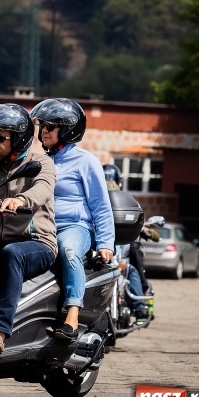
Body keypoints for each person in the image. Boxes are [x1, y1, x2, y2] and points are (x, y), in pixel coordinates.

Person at [0, 103, 58, 354]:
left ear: (18, 139)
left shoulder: (40, 163)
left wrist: (20, 200)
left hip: (37, 243)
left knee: (13, 254)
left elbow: (43, 188)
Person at [30, 98, 115, 341]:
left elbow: (101, 205)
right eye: (42, 126)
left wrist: (106, 243)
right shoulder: (39, 161)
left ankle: (72, 316)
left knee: (68, 250)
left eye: (50, 126)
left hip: (75, 227)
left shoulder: (85, 161)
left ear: (68, 130)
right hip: (43, 227)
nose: (44, 131)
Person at [102, 163, 147, 320]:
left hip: (116, 251)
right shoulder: (98, 198)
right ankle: (139, 306)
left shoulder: (122, 199)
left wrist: (143, 227)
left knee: (129, 266)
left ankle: (140, 305)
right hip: (106, 249)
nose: (109, 185)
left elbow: (134, 216)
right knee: (130, 268)